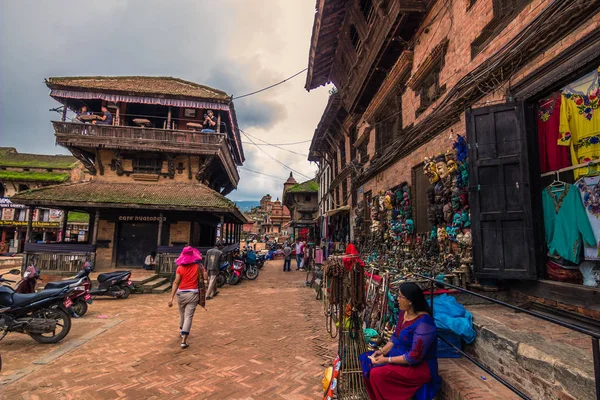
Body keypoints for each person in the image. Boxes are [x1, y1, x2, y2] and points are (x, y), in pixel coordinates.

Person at [359, 282, 440, 400]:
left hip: (418, 367)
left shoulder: (424, 323)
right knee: (365, 359)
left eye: (401, 296)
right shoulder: (404, 314)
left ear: (410, 301)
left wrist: (387, 359)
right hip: (397, 356)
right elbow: (395, 337)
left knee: (377, 374)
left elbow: (413, 357)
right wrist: (381, 351)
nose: (397, 299)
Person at [168, 246, 206, 349]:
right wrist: (203, 269)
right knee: (188, 316)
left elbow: (176, 282)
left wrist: (171, 298)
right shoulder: (198, 267)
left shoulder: (179, 268)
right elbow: (205, 278)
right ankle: (184, 340)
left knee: (182, 314)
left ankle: (181, 331)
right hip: (193, 294)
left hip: (181, 294)